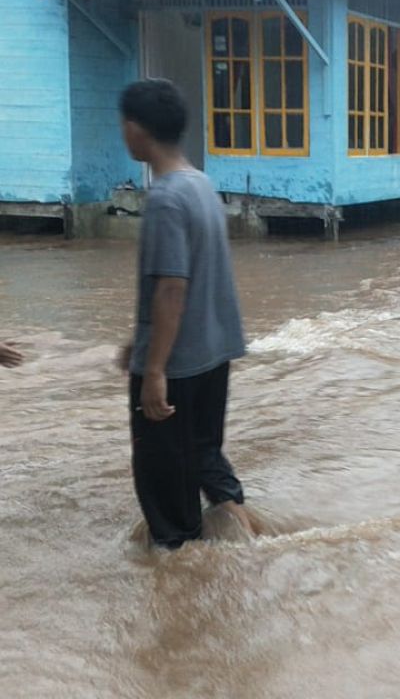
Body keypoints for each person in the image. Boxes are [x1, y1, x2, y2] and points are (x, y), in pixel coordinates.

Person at [116, 79, 253, 548]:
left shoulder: (165, 199)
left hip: (176, 367)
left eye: (123, 124)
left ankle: (185, 584)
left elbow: (173, 287)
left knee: (165, 493)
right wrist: (140, 343)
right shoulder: (201, 185)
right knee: (203, 455)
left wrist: (153, 369)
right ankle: (249, 543)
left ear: (135, 129)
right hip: (213, 355)